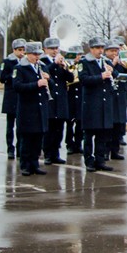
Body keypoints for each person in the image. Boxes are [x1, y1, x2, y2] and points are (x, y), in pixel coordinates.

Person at [78, 37, 117, 172]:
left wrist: (111, 71)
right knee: (89, 135)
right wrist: (101, 76)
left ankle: (100, 160)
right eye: (98, 48)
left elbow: (116, 76)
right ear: (91, 49)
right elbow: (83, 79)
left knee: (102, 135)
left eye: (102, 48)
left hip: (104, 104)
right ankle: (89, 161)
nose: (100, 51)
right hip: (91, 104)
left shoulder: (105, 62)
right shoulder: (85, 62)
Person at [12, 42, 51, 175]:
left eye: (38, 54)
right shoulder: (20, 68)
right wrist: (36, 84)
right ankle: (25, 165)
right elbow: (17, 86)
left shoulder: (42, 66)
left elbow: (48, 85)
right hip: (27, 108)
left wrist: (48, 79)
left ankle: (35, 164)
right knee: (27, 139)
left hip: (40, 107)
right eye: (34, 54)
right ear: (27, 54)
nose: (37, 57)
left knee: (38, 139)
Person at [42, 37, 75, 165]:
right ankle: (47, 154)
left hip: (61, 99)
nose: (55, 51)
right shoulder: (43, 62)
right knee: (49, 129)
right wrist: (55, 64)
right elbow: (45, 72)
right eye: (51, 49)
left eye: (56, 48)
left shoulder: (62, 63)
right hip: (49, 99)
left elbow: (71, 78)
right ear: (45, 50)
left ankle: (56, 153)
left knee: (59, 128)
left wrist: (64, 68)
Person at [0, 38, 26, 158]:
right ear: (14, 50)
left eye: (23, 50)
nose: (21, 53)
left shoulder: (25, 62)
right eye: (19, 50)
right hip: (11, 96)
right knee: (10, 125)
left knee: (21, 125)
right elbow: (2, 78)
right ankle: (10, 148)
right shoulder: (8, 61)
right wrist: (15, 76)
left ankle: (20, 147)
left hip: (21, 96)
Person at [106, 37, 127, 160]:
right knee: (108, 127)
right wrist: (113, 64)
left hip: (119, 96)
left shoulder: (122, 62)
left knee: (117, 125)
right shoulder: (104, 62)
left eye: (116, 51)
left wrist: (124, 66)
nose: (114, 53)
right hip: (109, 97)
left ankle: (115, 151)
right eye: (111, 51)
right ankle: (105, 152)